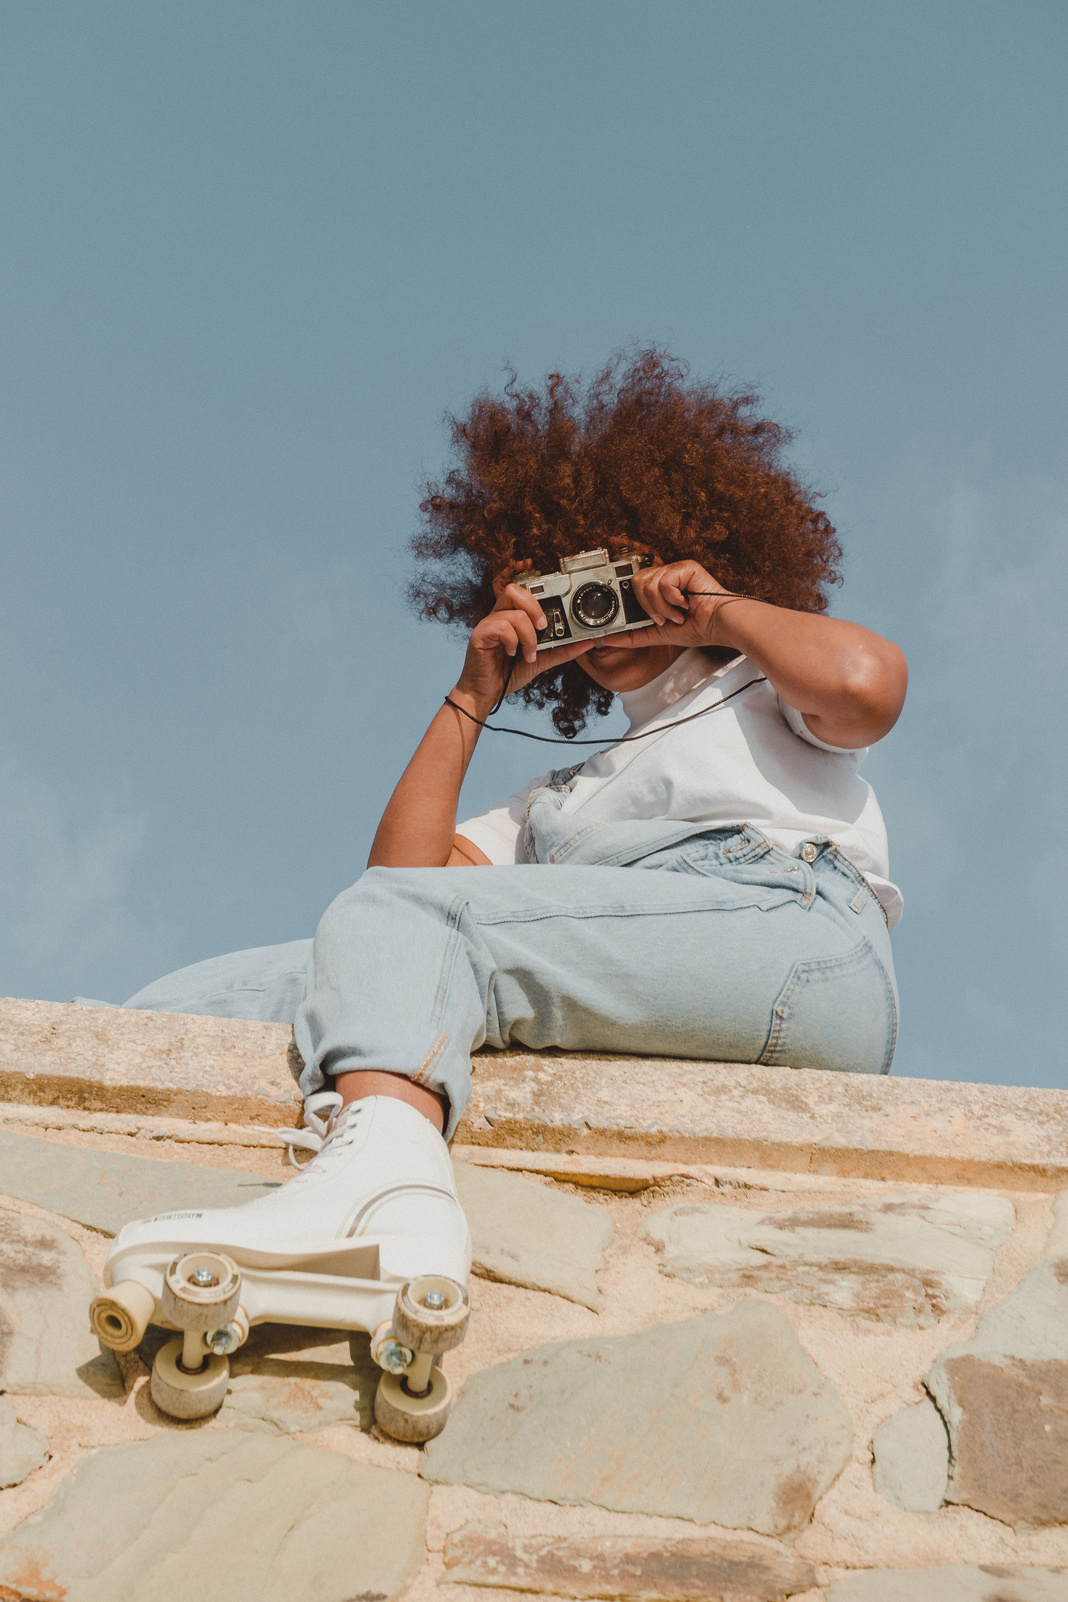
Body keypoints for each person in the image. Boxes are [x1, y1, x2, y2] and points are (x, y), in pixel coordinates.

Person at [104, 351, 907, 1297]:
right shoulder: (557, 801)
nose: (597, 610)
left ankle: (382, 1197)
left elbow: (865, 687)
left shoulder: (760, 681)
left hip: (796, 935)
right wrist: (474, 694)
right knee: (203, 995)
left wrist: (716, 613)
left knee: (407, 927)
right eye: (567, 590)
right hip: (648, 952)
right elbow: (390, 895)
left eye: (615, 570)